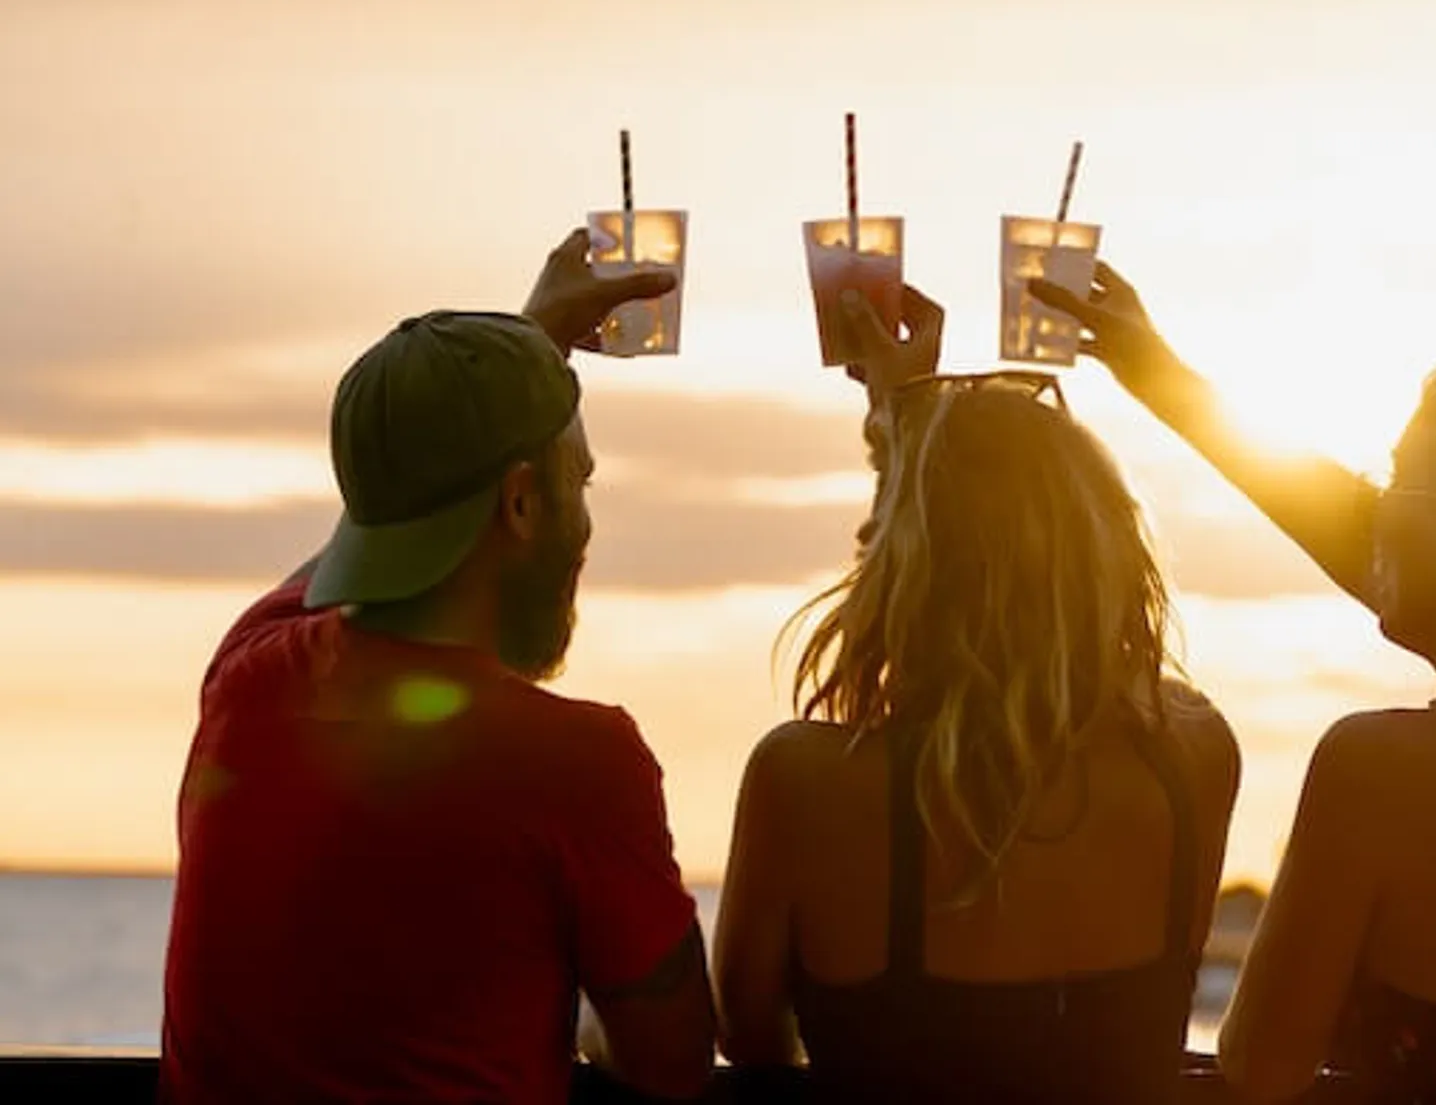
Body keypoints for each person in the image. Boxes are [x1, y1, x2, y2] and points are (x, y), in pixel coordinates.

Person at [1032, 269, 1436, 1103]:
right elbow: (1395, 544)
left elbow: (1258, 1072)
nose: (1373, 509)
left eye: (1395, 478)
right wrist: (1161, 377)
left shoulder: (1381, 768)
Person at [159, 231, 715, 1104]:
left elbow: (371, 520)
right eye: (582, 484)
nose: (587, 524)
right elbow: (673, 1064)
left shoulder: (244, 682)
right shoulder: (581, 765)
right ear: (524, 502)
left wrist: (525, 352)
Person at [712, 286, 1242, 1104]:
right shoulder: (1192, 753)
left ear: (904, 562)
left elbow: (748, 1035)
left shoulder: (810, 781)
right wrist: (905, 421)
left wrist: (906, 431)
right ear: (1103, 544)